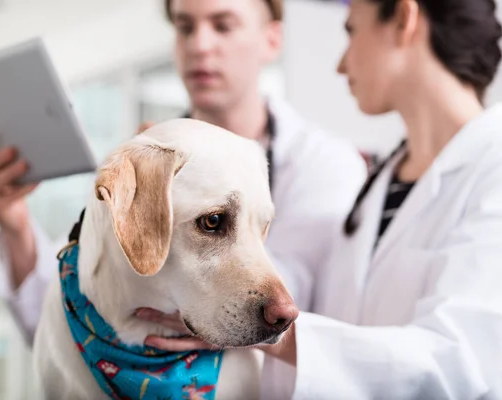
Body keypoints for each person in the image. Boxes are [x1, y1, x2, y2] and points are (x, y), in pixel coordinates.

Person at [137, 0, 502, 398]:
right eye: (185, 28)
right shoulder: (384, 179)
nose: (340, 65)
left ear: (403, 17)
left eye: (351, 30)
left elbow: (460, 361)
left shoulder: (490, 168)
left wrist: (260, 328)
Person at [0, 0, 367, 346]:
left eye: (223, 25)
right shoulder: (140, 169)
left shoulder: (327, 166)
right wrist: (16, 226)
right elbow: (65, 318)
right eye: (185, 26)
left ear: (272, 40)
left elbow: (290, 306)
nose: (200, 45)